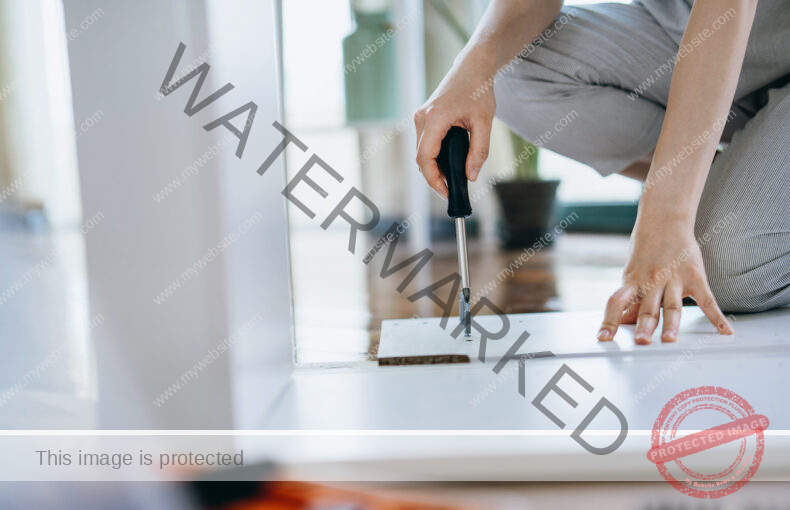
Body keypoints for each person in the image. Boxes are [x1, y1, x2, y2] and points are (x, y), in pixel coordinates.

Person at [414, 0, 790, 345]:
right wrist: (471, 68)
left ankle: (742, 188)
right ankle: (748, 170)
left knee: (726, 263)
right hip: (682, 22)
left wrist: (667, 212)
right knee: (506, 65)